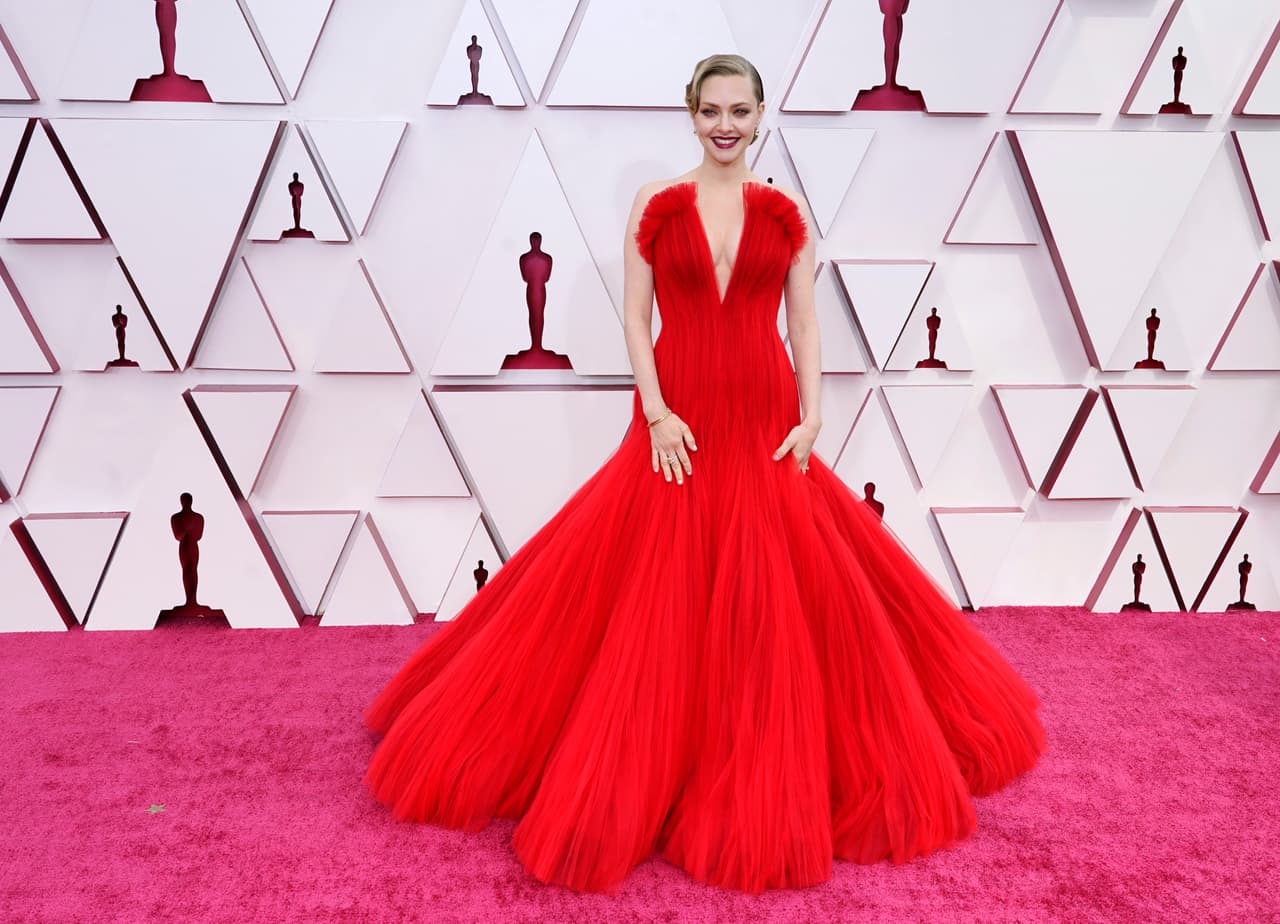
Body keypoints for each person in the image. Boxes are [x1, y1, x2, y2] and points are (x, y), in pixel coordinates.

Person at [364, 53, 1045, 894]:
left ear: (762, 115)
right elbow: (635, 315)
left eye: (740, 111)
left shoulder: (786, 214)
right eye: (712, 110)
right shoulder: (657, 209)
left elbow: (802, 321)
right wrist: (654, 411)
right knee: (656, 595)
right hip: (677, 421)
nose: (726, 124)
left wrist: (813, 412)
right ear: (691, 114)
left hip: (762, 420)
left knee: (776, 599)